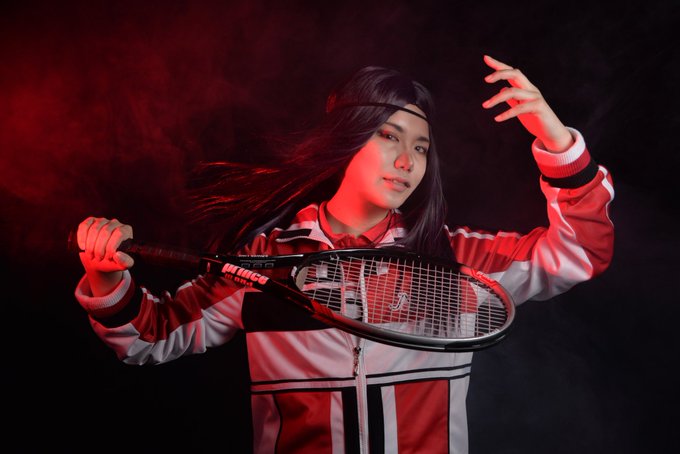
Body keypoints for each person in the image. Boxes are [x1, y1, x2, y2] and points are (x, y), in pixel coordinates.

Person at [74, 55, 615, 453]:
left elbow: (581, 250)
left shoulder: (456, 261)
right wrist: (105, 278)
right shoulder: (263, 261)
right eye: (388, 136)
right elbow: (150, 338)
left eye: (421, 147)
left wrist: (556, 141)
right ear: (348, 137)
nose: (407, 161)